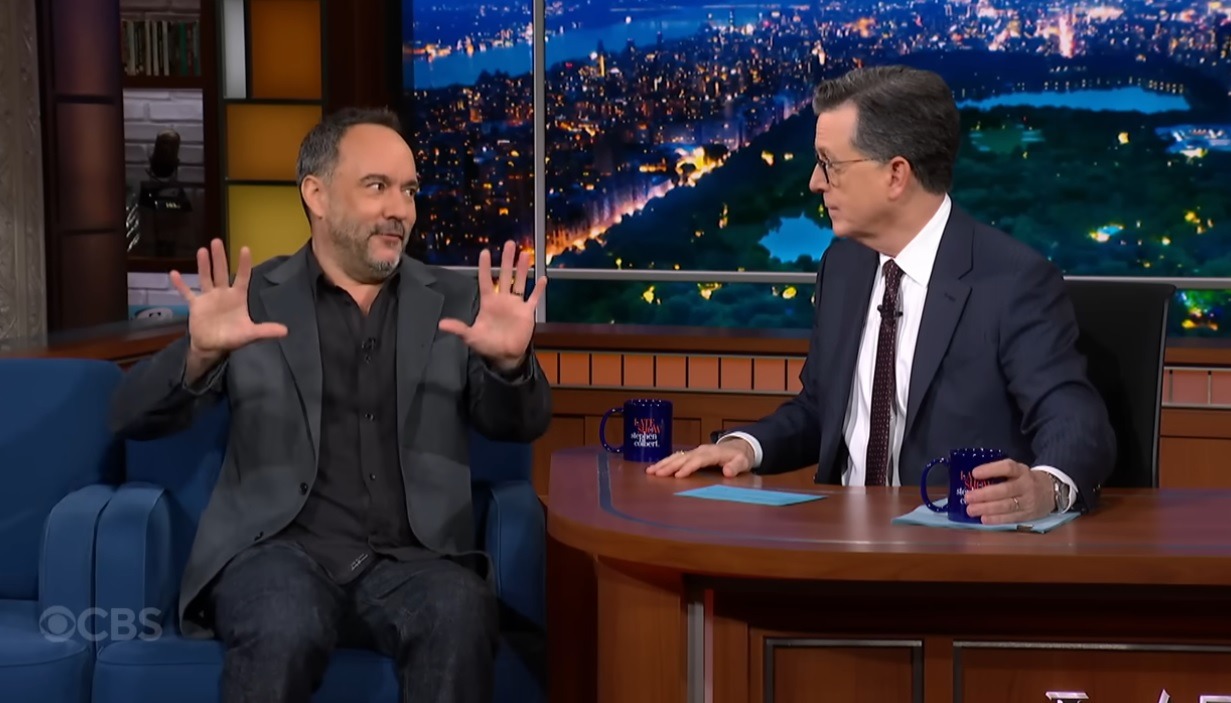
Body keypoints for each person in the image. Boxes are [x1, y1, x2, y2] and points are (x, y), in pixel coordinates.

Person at [109, 107, 552, 703]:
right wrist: (198, 354)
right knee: (284, 620)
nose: (400, 209)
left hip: (417, 563)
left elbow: (518, 425)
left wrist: (510, 365)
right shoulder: (251, 301)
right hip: (277, 555)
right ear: (316, 195)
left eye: (409, 190)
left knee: (461, 609)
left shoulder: (459, 301)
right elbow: (129, 416)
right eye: (377, 186)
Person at [648, 65, 1116, 523]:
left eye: (830, 164)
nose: (815, 182)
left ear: (896, 175)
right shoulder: (843, 266)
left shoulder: (1012, 280)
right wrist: (745, 447)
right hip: (840, 537)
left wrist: (1048, 486)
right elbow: (821, 409)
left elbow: (1074, 420)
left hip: (954, 545)